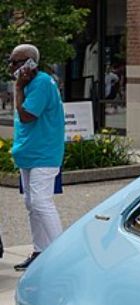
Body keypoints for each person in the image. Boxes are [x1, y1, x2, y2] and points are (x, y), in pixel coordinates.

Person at [8, 43, 65, 272]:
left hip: (44, 154)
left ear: (30, 63)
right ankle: (40, 250)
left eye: (16, 62)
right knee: (31, 204)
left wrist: (19, 88)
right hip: (29, 154)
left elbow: (27, 116)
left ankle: (62, 254)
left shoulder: (40, 83)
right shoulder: (31, 82)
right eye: (10, 61)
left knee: (42, 203)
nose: (12, 66)